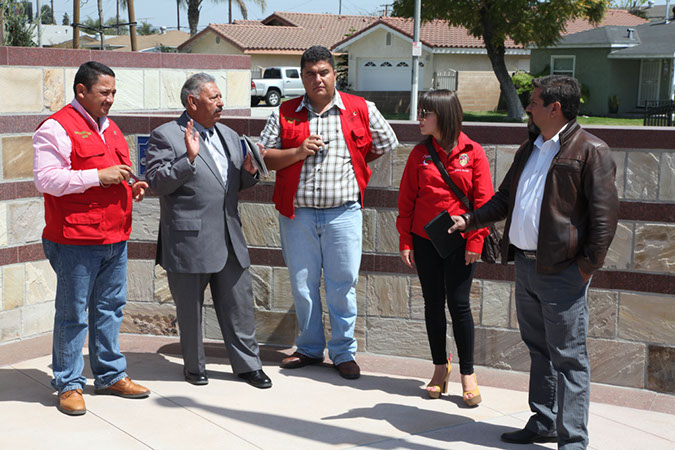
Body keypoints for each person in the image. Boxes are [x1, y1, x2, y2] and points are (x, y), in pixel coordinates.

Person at [449, 75, 619, 448]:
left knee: (569, 358)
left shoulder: (591, 151)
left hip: (563, 272)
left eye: (535, 102)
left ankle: (572, 440)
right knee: (539, 349)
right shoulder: (530, 148)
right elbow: (504, 198)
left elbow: (605, 220)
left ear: (555, 108)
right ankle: (543, 421)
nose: (528, 107)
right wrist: (470, 219)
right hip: (525, 267)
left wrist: (584, 268)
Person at [259, 45, 399, 379]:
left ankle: (342, 352)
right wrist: (297, 151)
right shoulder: (286, 112)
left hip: (343, 213)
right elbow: (263, 155)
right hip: (298, 214)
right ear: (302, 77)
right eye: (310, 74)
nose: (317, 79)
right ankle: (308, 348)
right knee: (302, 286)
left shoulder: (360, 108)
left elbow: (386, 142)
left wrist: (354, 161)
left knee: (342, 285)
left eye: (323, 72)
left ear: (335, 73)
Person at [33, 61, 151, 416]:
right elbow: (46, 179)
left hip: (114, 236)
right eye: (104, 92)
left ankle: (110, 375)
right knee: (73, 314)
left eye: (113, 92)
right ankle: (68, 384)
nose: (110, 99)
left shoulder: (111, 128)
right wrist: (98, 176)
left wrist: (132, 186)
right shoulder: (56, 128)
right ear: (81, 91)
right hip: (74, 239)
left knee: (109, 309)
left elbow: (116, 173)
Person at [145, 73, 271, 390]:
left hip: (229, 236)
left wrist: (250, 173)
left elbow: (230, 185)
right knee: (190, 310)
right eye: (214, 98)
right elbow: (157, 183)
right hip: (189, 240)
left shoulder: (229, 135)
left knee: (239, 305)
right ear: (192, 101)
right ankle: (194, 366)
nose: (221, 103)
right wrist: (187, 158)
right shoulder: (166, 136)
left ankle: (248, 366)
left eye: (220, 97)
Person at [397, 90, 493, 405]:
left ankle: (468, 372)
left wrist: (476, 240)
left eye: (425, 113)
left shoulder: (473, 152)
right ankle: (440, 368)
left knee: (460, 304)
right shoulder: (419, 154)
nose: (419, 119)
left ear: (444, 115)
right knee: (433, 304)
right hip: (425, 241)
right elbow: (406, 201)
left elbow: (484, 203)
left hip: (462, 242)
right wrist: (405, 239)